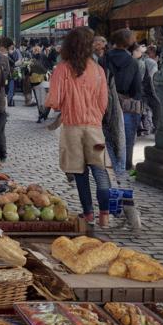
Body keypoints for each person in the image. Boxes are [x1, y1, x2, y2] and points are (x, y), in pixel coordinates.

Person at [46, 27, 114, 228]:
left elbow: (54, 101)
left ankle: (88, 214)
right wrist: (94, 114)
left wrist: (66, 105)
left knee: (79, 172)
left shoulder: (62, 69)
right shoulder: (98, 70)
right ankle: (105, 215)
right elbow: (104, 102)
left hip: (72, 127)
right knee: (100, 169)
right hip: (94, 128)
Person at [104, 29, 142, 176]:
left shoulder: (104, 58)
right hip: (126, 104)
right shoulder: (133, 62)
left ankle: (110, 165)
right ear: (130, 43)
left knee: (109, 137)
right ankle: (125, 167)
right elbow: (136, 89)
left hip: (106, 103)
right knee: (127, 139)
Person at [28, 44, 53, 123]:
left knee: (41, 100)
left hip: (40, 81)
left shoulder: (36, 58)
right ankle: (42, 115)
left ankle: (42, 115)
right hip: (38, 81)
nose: (35, 51)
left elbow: (44, 68)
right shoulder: (37, 57)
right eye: (35, 50)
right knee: (41, 100)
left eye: (36, 50)